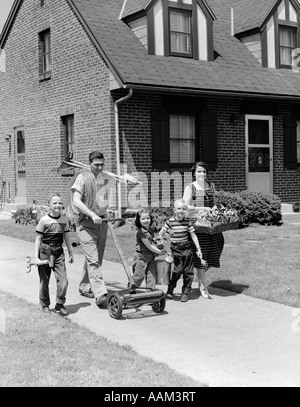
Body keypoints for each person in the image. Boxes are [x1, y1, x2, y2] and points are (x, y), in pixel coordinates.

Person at [65, 150, 139, 308]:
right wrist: (92, 214)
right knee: (93, 259)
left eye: (101, 164)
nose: (99, 167)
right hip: (85, 222)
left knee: (95, 258)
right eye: (96, 165)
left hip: (102, 220)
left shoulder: (104, 174)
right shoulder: (82, 177)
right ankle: (100, 294)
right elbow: (76, 201)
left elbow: (118, 178)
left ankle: (85, 286)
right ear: (89, 163)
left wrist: (126, 178)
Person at [183, 162, 224, 299]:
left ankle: (201, 276)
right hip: (197, 225)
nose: (202, 174)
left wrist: (216, 211)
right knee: (201, 255)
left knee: (217, 247)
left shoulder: (210, 186)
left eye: (204, 171)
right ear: (194, 173)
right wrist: (203, 209)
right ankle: (203, 286)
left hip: (210, 225)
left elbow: (213, 204)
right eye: (199, 171)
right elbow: (185, 207)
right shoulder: (190, 188)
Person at [35, 193, 74, 316]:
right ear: (49, 205)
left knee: (63, 281)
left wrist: (71, 252)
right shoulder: (44, 220)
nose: (58, 205)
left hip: (58, 253)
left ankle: (60, 303)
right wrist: (36, 257)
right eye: (54, 203)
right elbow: (38, 239)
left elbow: (67, 236)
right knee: (44, 281)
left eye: (60, 203)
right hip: (45, 252)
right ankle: (44, 304)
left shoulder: (64, 220)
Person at [159, 199, 204, 302]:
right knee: (177, 270)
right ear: (174, 210)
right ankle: (170, 290)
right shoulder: (170, 221)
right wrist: (164, 239)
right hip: (176, 249)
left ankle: (185, 292)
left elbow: (193, 235)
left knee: (188, 271)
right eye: (179, 208)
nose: (181, 210)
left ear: (186, 211)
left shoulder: (187, 222)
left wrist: (198, 249)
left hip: (187, 249)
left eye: (184, 208)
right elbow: (161, 233)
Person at [132, 208, 165, 290]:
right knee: (139, 276)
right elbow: (149, 246)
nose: (146, 220)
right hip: (141, 257)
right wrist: (160, 251)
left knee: (151, 275)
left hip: (151, 256)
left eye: (147, 218)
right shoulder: (141, 232)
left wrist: (160, 244)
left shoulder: (151, 230)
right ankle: (131, 287)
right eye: (143, 219)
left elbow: (156, 240)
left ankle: (150, 291)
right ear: (139, 220)